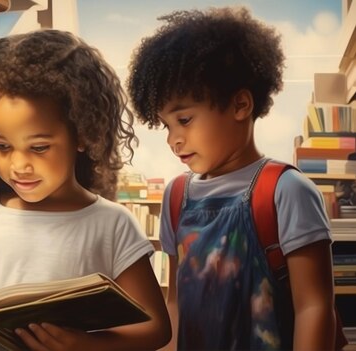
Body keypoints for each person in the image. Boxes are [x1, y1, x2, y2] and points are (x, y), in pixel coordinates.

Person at [0, 29, 172, 351]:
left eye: (40, 147)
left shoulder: (113, 224)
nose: (19, 164)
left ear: (83, 135)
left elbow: (156, 328)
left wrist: (84, 346)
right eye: (2, 145)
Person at [126, 6, 337, 351]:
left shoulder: (286, 190)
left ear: (240, 105)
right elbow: (176, 303)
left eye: (185, 119)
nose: (172, 139)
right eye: (166, 125)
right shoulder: (177, 196)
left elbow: (314, 308)